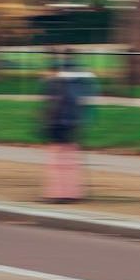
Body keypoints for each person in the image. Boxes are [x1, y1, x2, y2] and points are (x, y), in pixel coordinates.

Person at [42, 50, 93, 202]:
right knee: (71, 158)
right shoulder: (78, 79)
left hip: (59, 123)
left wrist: (49, 121)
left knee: (57, 160)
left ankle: (58, 193)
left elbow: (54, 104)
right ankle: (73, 192)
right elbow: (82, 101)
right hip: (74, 122)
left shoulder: (56, 82)